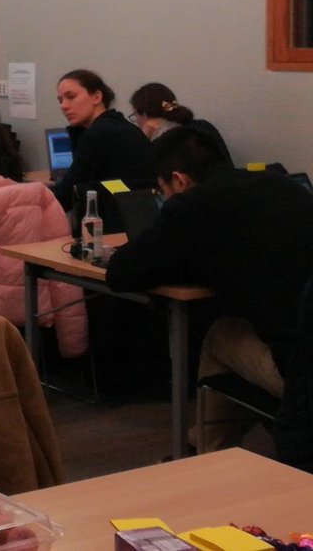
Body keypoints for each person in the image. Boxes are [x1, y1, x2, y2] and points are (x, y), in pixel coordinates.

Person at [106, 127, 313, 451]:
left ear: (179, 180)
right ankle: (205, 444)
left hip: (299, 375)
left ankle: (205, 451)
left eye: (163, 192)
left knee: (220, 333)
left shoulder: (191, 206)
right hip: (303, 347)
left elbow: (121, 273)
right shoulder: (287, 187)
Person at [51, 68, 153, 210]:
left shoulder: (99, 134)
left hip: (116, 222)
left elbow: (65, 194)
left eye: (71, 97)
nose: (64, 106)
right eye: (60, 100)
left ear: (97, 97)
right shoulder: (120, 125)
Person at [129, 81, 233, 164]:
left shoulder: (164, 141)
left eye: (135, 116)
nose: (136, 121)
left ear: (144, 114)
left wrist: (145, 139)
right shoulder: (203, 126)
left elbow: (143, 173)